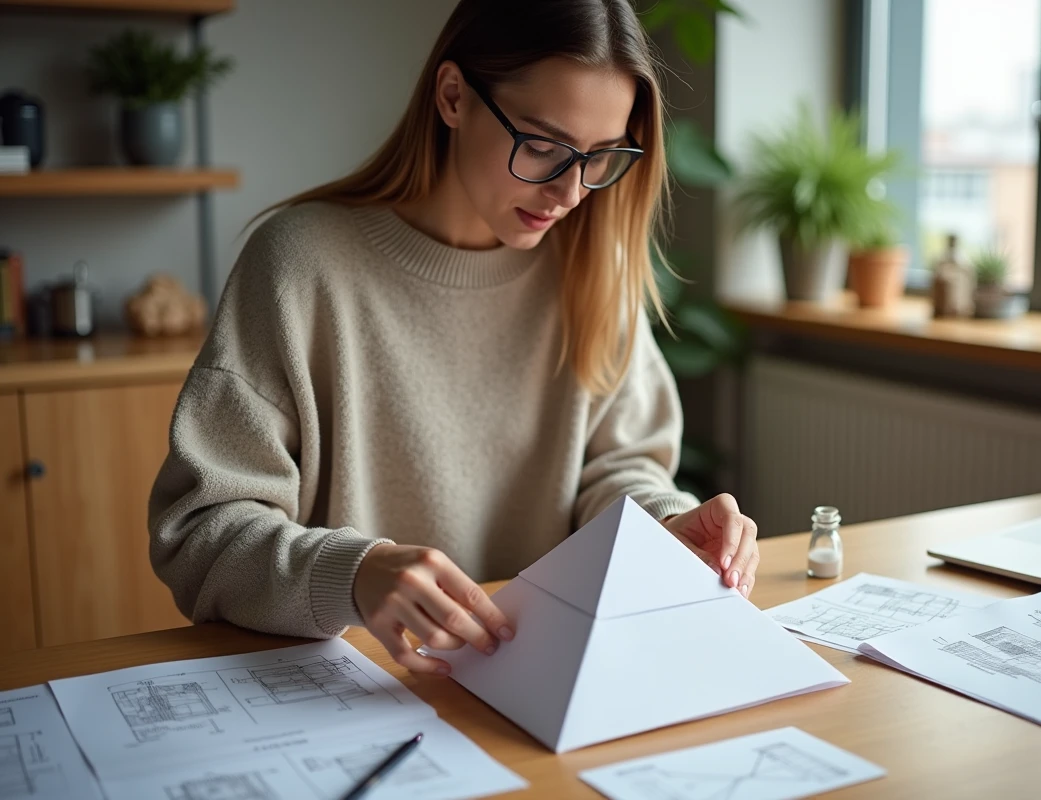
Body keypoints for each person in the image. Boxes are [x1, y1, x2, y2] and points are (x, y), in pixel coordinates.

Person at [149, 0, 759, 678]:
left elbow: (618, 470)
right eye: (542, 146)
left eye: (599, 158)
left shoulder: (593, 269)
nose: (570, 192)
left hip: (532, 684)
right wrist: (355, 575)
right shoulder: (299, 266)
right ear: (452, 97)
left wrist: (668, 528)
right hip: (347, 690)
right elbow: (201, 536)